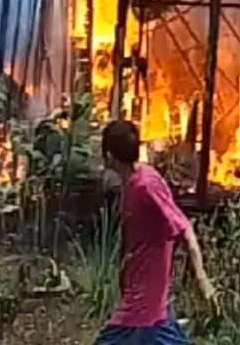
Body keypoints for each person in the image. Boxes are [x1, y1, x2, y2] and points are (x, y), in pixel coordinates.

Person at [95, 120, 215, 345]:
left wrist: (202, 279)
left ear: (109, 157)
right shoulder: (134, 182)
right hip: (141, 308)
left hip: (141, 314)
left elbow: (184, 229)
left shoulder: (146, 186)